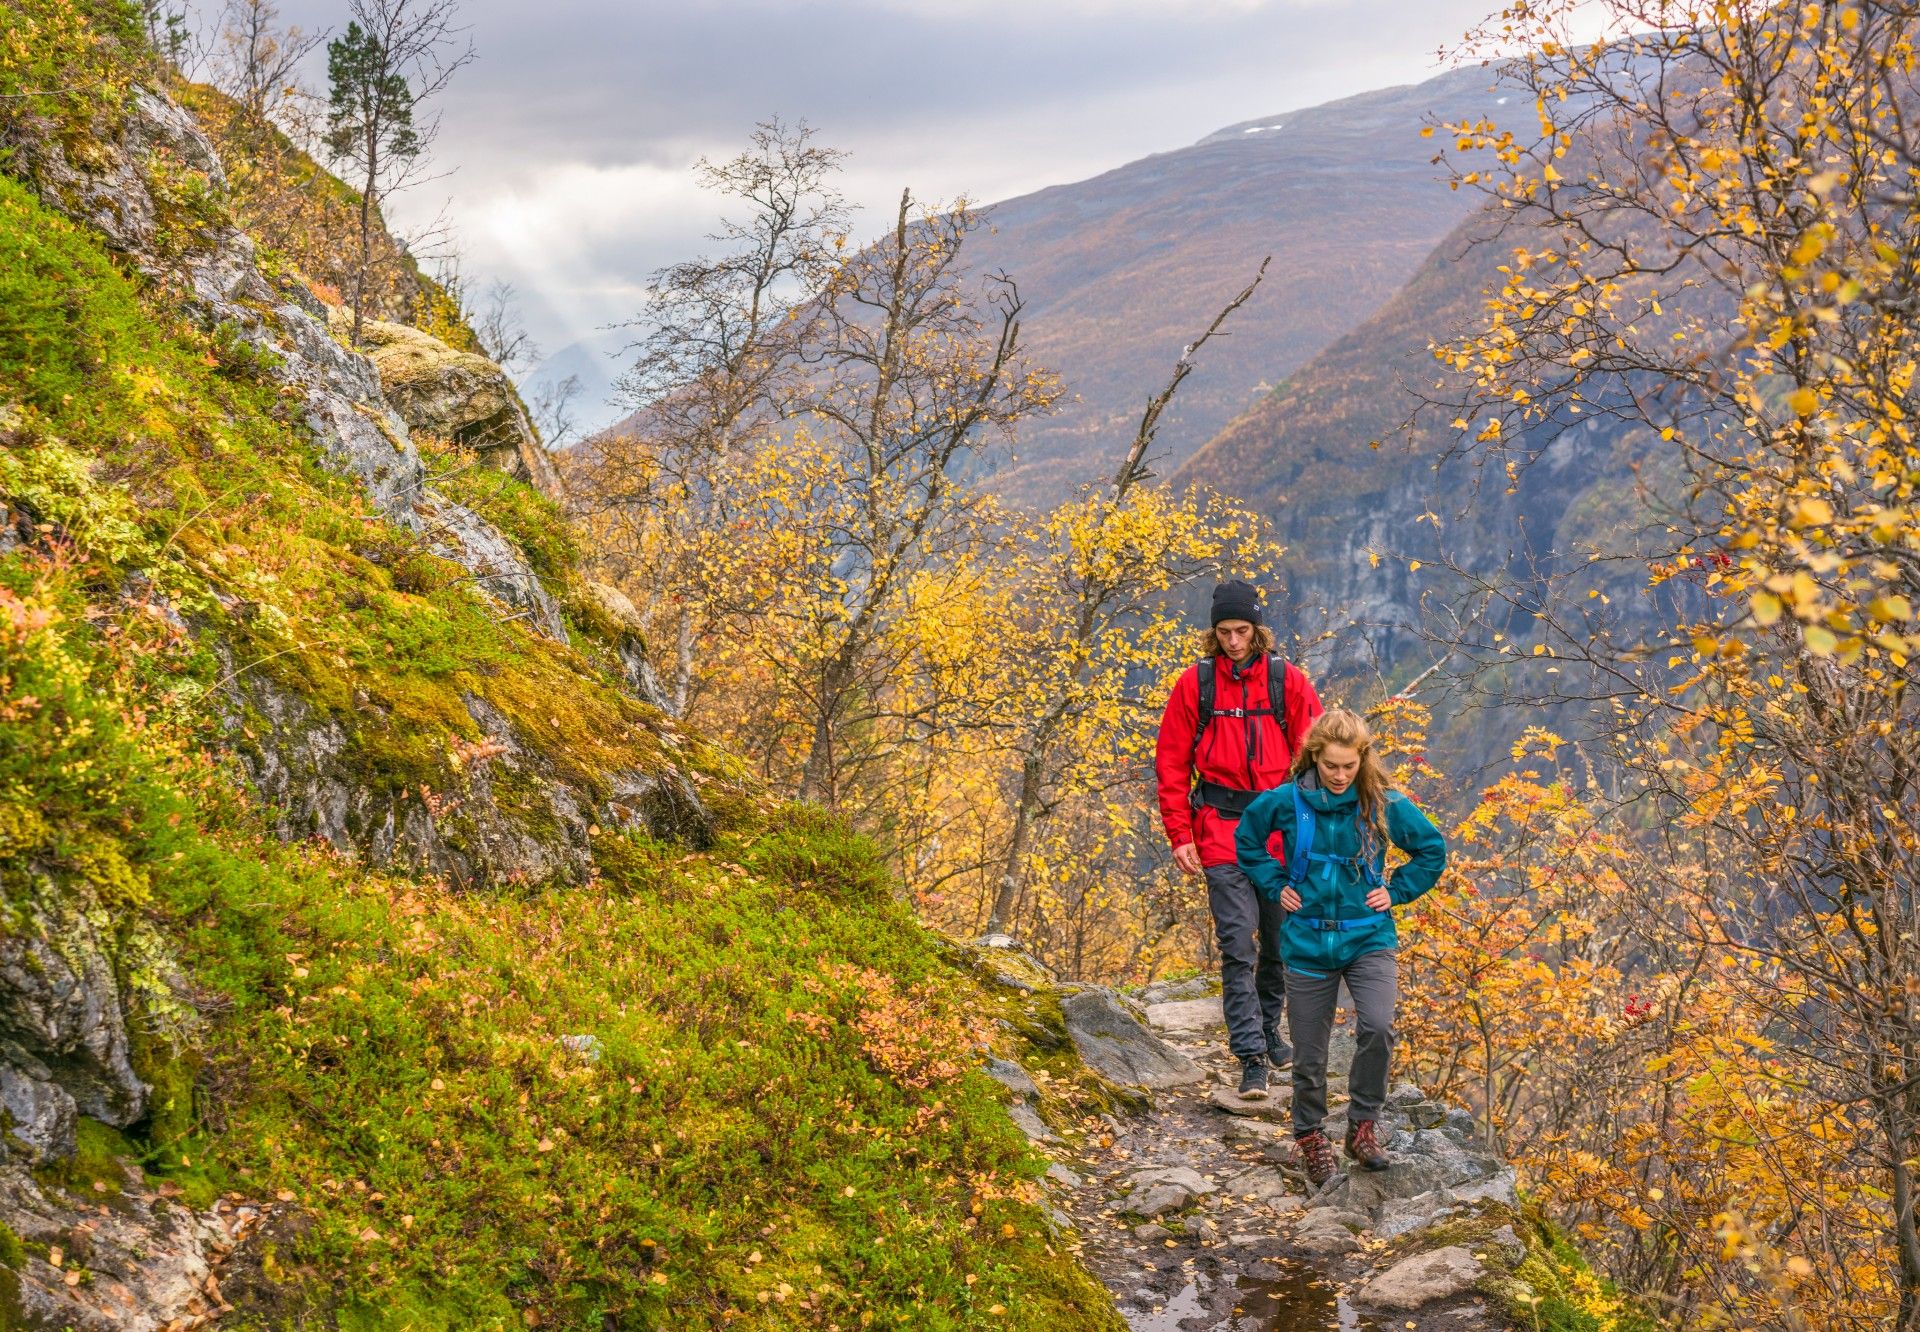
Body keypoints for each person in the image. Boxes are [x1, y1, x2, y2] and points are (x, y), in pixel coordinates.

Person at [1234, 708, 1447, 1186]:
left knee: (1377, 1025)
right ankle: (1310, 1136)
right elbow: (1247, 838)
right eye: (1331, 765)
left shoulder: (1382, 804)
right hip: (1307, 939)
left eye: (1349, 765)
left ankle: (1362, 1127)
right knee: (1309, 1055)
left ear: (1362, 760)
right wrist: (1275, 884)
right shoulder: (1286, 801)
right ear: (1314, 757)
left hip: (1368, 936)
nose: (1339, 774)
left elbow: (1432, 849)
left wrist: (1397, 890)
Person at [1155, 579, 1323, 1100]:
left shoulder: (1286, 681)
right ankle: (1250, 1055)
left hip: (1279, 836)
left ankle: (1269, 1029)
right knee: (1236, 943)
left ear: (1257, 630)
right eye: (1224, 632)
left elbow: (1319, 759)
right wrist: (1180, 833)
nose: (1233, 641)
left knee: (1278, 943)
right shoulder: (1195, 685)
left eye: (1242, 631)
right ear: (1214, 632)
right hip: (1220, 829)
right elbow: (1171, 762)